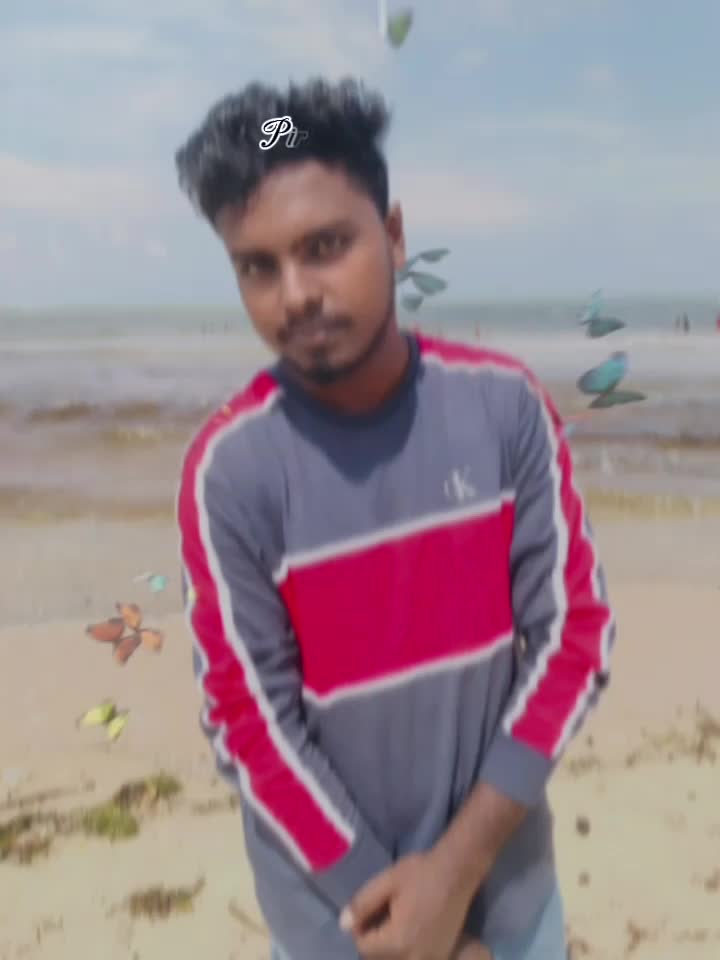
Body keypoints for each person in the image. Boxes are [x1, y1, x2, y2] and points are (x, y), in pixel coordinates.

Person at [174, 77, 615, 960]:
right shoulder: (232, 470)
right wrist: (403, 919)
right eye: (257, 266)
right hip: (338, 926)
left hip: (509, 903)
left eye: (325, 246)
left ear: (396, 235)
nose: (295, 295)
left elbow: (575, 637)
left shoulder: (502, 409)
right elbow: (248, 724)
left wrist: (455, 874)